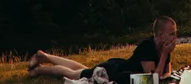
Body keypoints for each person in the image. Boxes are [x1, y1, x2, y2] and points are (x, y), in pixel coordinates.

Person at [28, 17, 178, 81]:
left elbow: (166, 73)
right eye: (172, 33)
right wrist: (164, 55)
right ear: (160, 34)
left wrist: (165, 57)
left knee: (82, 70)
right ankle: (39, 70)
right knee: (74, 74)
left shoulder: (163, 48)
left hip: (120, 70)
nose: (175, 37)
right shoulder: (148, 46)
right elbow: (152, 80)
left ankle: (43, 56)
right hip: (113, 71)